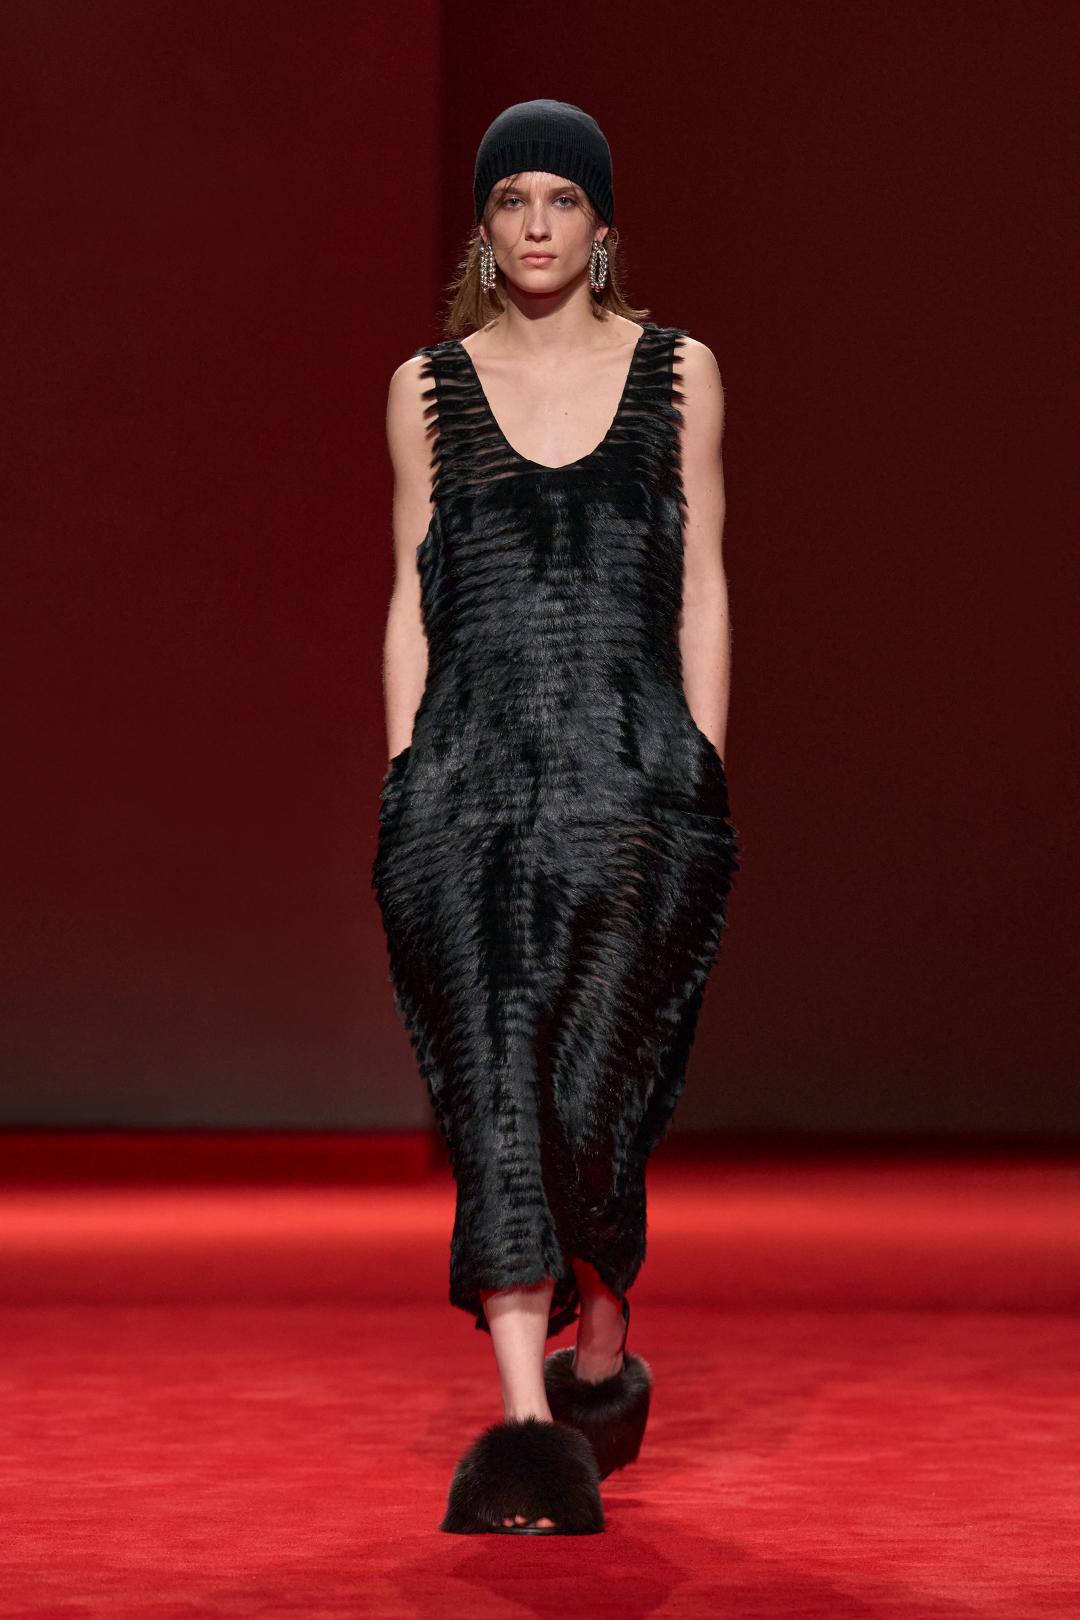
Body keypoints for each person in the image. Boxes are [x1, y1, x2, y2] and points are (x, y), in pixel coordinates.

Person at [374, 100, 737, 1535]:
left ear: (602, 225)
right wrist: (403, 776)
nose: (536, 224)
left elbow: (702, 578)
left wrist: (701, 766)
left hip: (635, 796)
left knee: (596, 1097)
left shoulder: (680, 373)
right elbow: (412, 595)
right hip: (465, 802)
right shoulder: (424, 389)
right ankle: (527, 1428)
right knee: (499, 1103)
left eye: (562, 199)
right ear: (484, 226)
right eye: (512, 199)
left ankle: (603, 1324)